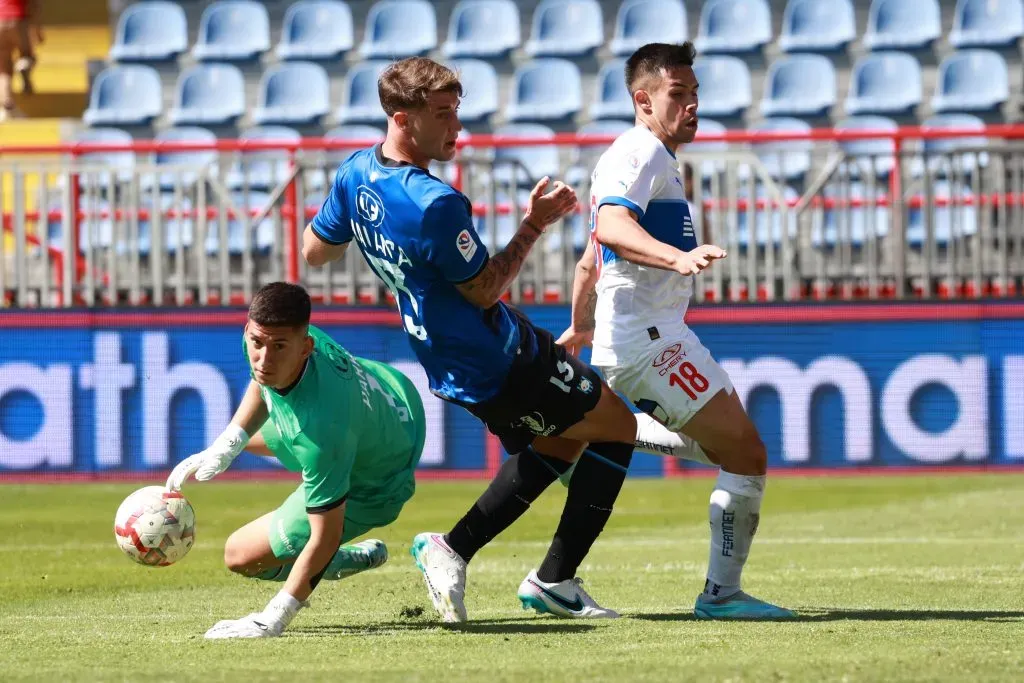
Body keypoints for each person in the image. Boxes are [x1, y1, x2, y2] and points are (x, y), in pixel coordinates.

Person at [301, 56, 669, 622]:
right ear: (403, 119)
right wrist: (535, 224)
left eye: (457, 112)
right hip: (493, 353)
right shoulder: (435, 203)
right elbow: (485, 288)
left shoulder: (354, 174)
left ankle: (465, 553)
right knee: (615, 428)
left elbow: (314, 250)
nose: (456, 128)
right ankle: (547, 577)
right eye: (443, 115)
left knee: (564, 439)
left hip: (451, 359)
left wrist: (366, 235)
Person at [557, 42, 794, 620]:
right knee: (745, 452)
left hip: (642, 335)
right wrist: (675, 257)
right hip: (650, 340)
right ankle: (721, 595)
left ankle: (612, 429)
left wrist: (578, 326)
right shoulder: (640, 154)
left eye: (695, 95)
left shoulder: (650, 158)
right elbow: (611, 228)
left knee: (731, 447)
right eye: (677, 95)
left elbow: (591, 258)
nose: (691, 106)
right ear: (643, 100)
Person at [166, 282, 427, 638]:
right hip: (396, 397)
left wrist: (273, 618)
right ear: (248, 331)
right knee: (258, 441)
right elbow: (263, 383)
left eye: (278, 348)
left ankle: (338, 562)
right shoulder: (278, 334)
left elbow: (325, 534)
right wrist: (228, 443)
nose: (264, 358)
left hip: (377, 480)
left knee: (240, 556)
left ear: (306, 348)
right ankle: (328, 559)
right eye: (257, 343)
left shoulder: (321, 435)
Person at [0, 0, 40, 121]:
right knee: (27, 56)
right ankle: (24, 65)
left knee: (3, 70)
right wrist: (37, 29)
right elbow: (34, 6)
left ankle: (7, 108)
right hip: (18, 21)